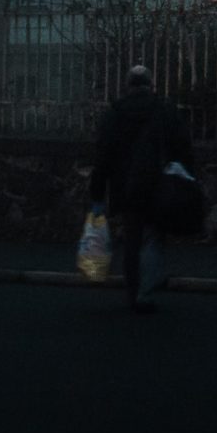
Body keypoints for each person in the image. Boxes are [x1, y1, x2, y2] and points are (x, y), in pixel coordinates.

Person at [87, 65, 192, 314]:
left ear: (128, 85)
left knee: (132, 240)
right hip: (158, 182)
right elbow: (183, 147)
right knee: (154, 236)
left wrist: (97, 193)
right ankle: (147, 290)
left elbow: (102, 156)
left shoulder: (115, 113)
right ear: (150, 84)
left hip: (126, 185)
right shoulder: (164, 109)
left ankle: (133, 294)